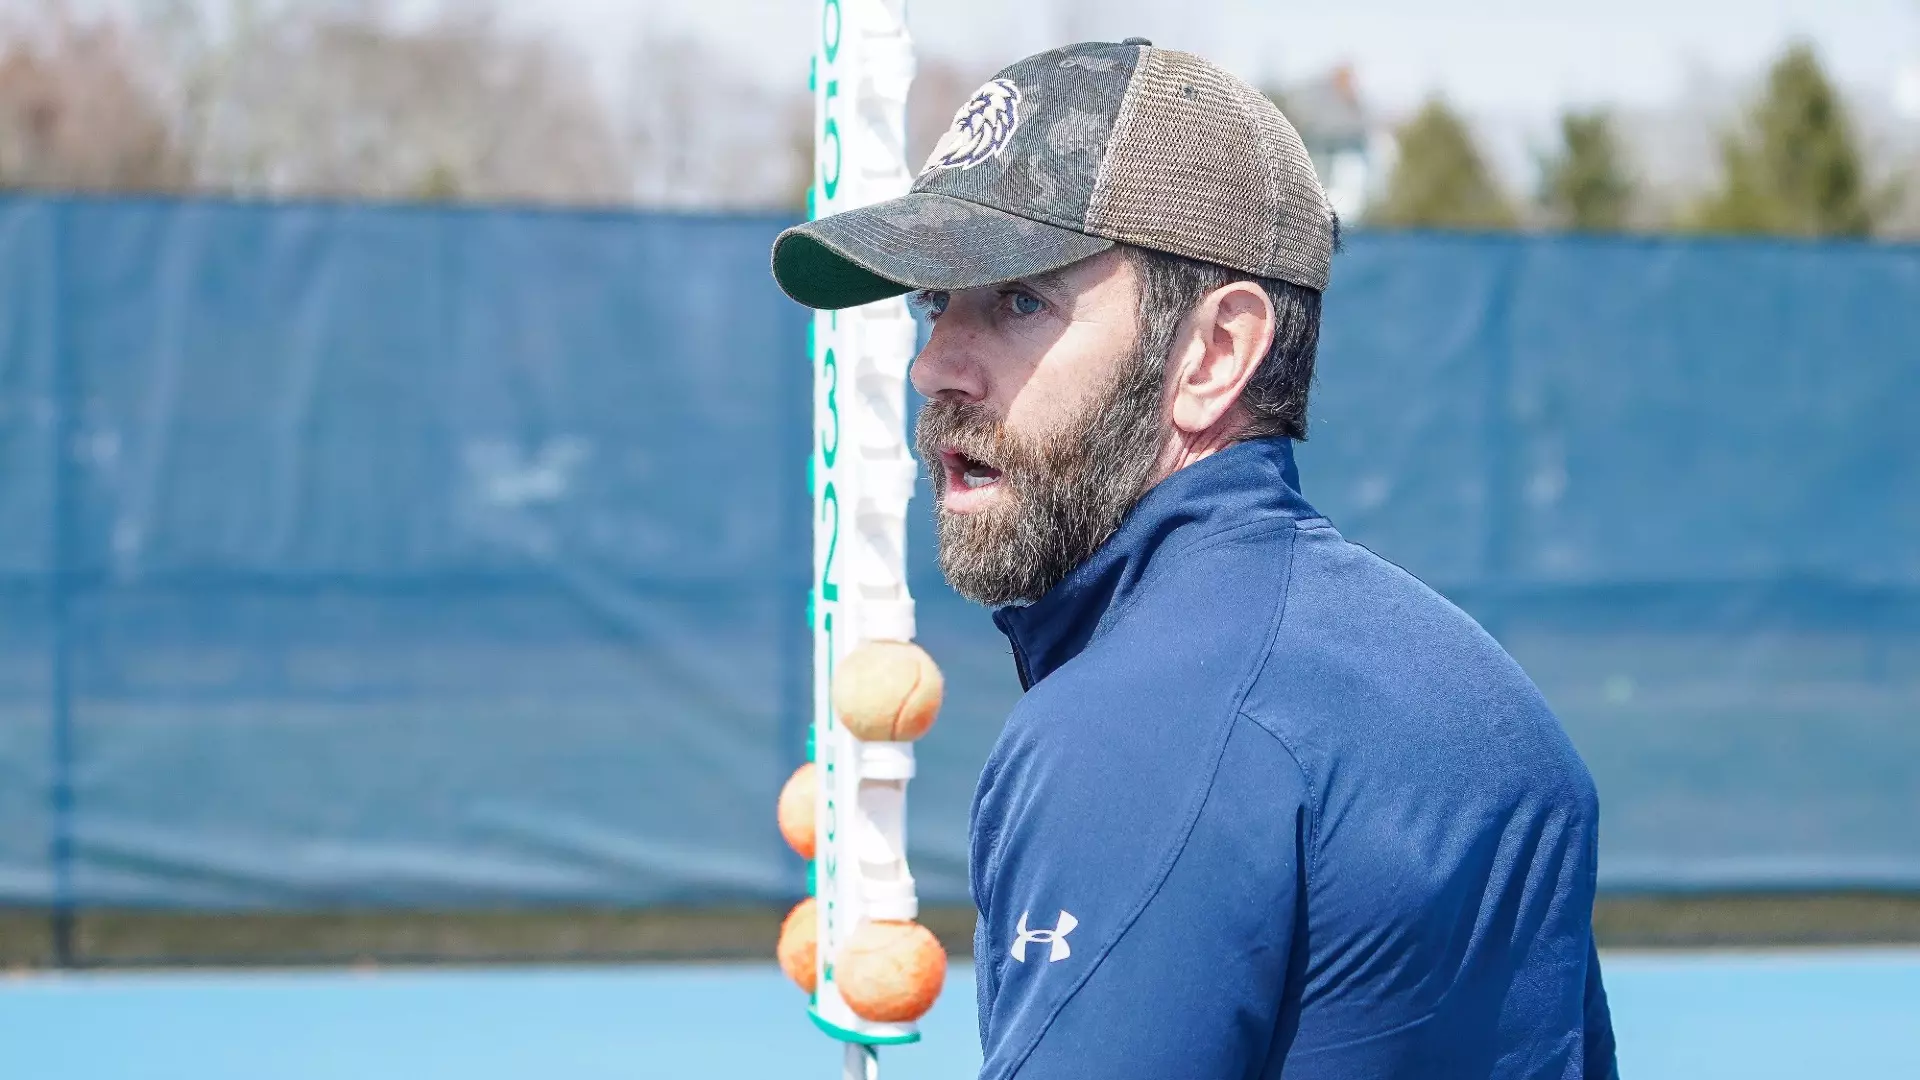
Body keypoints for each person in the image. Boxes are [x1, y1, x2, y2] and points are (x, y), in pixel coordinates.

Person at [771, 39, 1617, 1080]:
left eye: (1019, 299)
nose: (933, 364)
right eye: (932, 302)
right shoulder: (1477, 687)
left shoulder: (1126, 735)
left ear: (1215, 354)